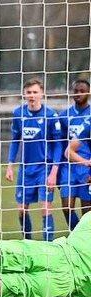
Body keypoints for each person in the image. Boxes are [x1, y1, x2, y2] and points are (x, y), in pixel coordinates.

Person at [6, 78, 63, 241]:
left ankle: (48, 247)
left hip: (44, 168)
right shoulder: (18, 113)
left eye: (35, 92)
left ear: (42, 94)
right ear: (24, 95)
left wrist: (54, 172)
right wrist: (10, 165)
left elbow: (58, 145)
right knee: (22, 210)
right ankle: (28, 243)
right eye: (29, 92)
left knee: (46, 208)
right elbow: (15, 140)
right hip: (25, 169)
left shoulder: (51, 115)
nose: (32, 96)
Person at [60, 80, 91, 229]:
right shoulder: (64, 116)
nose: (78, 94)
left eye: (82, 91)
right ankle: (76, 235)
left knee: (87, 211)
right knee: (67, 207)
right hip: (69, 167)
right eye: (76, 91)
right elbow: (62, 147)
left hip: (86, 169)